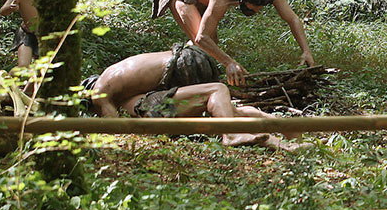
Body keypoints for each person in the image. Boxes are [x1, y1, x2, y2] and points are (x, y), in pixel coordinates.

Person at [84, 44, 294, 148]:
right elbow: (117, 133)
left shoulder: (105, 87)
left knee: (224, 106)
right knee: (217, 91)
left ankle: (282, 135)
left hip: (155, 105)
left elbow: (113, 124)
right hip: (154, 106)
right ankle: (233, 134)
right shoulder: (119, 81)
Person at [151, 0, 313, 84]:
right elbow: (202, 38)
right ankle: (161, 74)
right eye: (254, 7)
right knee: (203, 43)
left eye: (261, 6)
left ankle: (183, 67)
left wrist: (306, 51)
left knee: (210, 44)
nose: (258, 11)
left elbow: (292, 19)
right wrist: (229, 63)